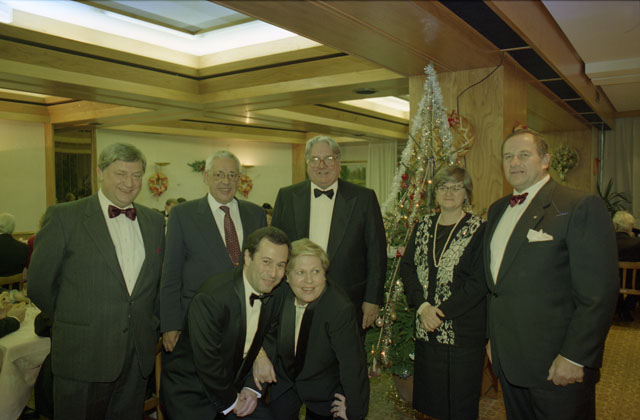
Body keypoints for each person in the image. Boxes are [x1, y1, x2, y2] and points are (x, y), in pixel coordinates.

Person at [484, 129, 618, 420]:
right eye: (508, 156)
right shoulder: (496, 210)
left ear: (545, 160)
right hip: (509, 359)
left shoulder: (579, 205)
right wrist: (493, 340)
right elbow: (496, 287)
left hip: (557, 363)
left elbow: (599, 294)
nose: (514, 162)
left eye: (524, 155)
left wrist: (575, 356)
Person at [28, 143, 165, 420]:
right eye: (121, 174)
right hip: (82, 353)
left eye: (136, 175)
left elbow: (156, 284)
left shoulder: (153, 221)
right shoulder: (65, 216)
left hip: (135, 355)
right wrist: (77, 320)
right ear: (100, 172)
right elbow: (40, 285)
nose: (129, 183)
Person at [161, 226, 290, 420]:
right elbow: (207, 361)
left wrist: (251, 388)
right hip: (192, 395)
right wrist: (232, 401)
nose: (273, 273)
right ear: (248, 257)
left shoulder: (277, 293)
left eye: (281, 265)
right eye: (266, 262)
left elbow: (270, 336)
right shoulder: (212, 298)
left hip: (236, 385)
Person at [271, 135, 386, 331]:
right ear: (307, 163)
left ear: (339, 162)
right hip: (296, 296)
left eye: (329, 159)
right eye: (315, 159)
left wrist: (372, 300)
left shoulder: (363, 198)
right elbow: (276, 249)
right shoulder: (287, 196)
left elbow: (376, 253)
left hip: (349, 299)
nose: (321, 165)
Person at [399, 165, 487, 420]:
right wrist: (423, 307)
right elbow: (407, 269)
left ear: (466, 193)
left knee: (460, 406)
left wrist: (440, 313)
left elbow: (478, 282)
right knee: (430, 404)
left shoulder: (480, 229)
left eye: (456, 187)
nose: (449, 192)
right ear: (435, 193)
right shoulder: (423, 226)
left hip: (463, 334)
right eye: (443, 187)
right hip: (427, 332)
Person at [160, 150, 267, 353]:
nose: (225, 181)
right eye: (218, 174)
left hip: (246, 320)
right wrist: (170, 323)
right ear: (206, 177)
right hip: (196, 320)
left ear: (239, 179)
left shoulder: (256, 214)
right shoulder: (183, 215)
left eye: (232, 175)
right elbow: (171, 274)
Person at [262, 238, 369, 420]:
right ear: (287, 276)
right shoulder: (277, 293)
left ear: (325, 274)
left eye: (316, 271)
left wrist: (354, 409)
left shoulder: (339, 308)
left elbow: (352, 363)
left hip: (324, 387)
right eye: (300, 272)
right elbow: (260, 329)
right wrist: (260, 356)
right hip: (284, 381)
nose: (309, 281)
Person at [612, 210, 640, 321]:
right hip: (633, 284)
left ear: (616, 225)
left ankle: (618, 306)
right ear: (631, 227)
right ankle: (627, 307)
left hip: (610, 282)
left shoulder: (605, 243)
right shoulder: (637, 243)